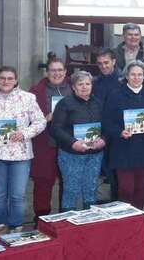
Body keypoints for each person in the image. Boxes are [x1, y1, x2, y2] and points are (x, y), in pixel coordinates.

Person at [0, 66, 46, 234]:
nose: (6, 81)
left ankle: (16, 227)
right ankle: (0, 226)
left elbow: (40, 122)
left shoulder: (28, 98)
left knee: (18, 195)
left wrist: (25, 133)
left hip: (20, 154)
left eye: (10, 78)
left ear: (16, 80)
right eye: (2, 78)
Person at [102, 61, 144, 210]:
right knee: (126, 189)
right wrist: (119, 132)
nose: (136, 77)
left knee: (141, 188)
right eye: (133, 74)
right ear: (126, 76)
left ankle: (139, 220)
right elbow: (107, 122)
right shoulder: (115, 95)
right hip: (123, 149)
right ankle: (125, 221)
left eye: (140, 74)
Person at [50, 71, 107, 211]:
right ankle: (68, 224)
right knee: (71, 189)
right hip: (71, 155)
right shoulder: (65, 104)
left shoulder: (99, 103)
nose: (84, 87)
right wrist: (73, 143)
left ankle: (89, 223)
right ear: (73, 87)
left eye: (87, 83)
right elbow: (55, 129)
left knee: (91, 188)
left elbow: (107, 126)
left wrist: (104, 140)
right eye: (80, 84)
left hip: (94, 154)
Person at [29, 58, 70, 219]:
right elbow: (29, 118)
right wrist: (45, 118)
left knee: (67, 183)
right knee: (43, 183)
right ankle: (41, 217)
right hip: (45, 144)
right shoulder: (36, 91)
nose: (57, 73)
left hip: (68, 144)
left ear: (65, 72)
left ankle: (64, 217)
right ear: (47, 72)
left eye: (60, 70)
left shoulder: (74, 88)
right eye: (53, 70)